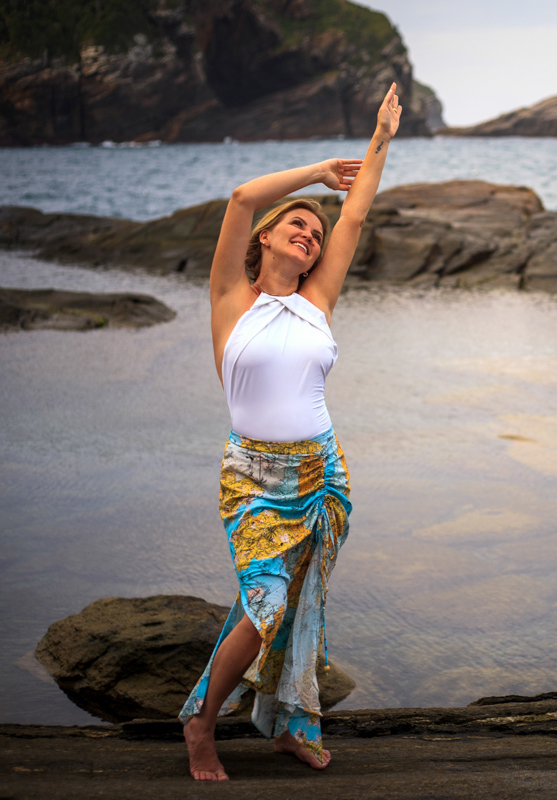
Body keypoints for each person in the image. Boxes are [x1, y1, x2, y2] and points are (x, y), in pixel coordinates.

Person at [180, 84, 402, 782]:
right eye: (297, 226)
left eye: (315, 231)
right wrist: (312, 175)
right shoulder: (230, 300)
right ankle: (200, 724)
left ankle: (290, 724)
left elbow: (356, 214)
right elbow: (242, 196)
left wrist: (380, 141)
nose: (310, 233)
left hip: (322, 473)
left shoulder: (317, 301)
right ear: (267, 239)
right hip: (253, 479)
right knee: (265, 600)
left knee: (302, 603)